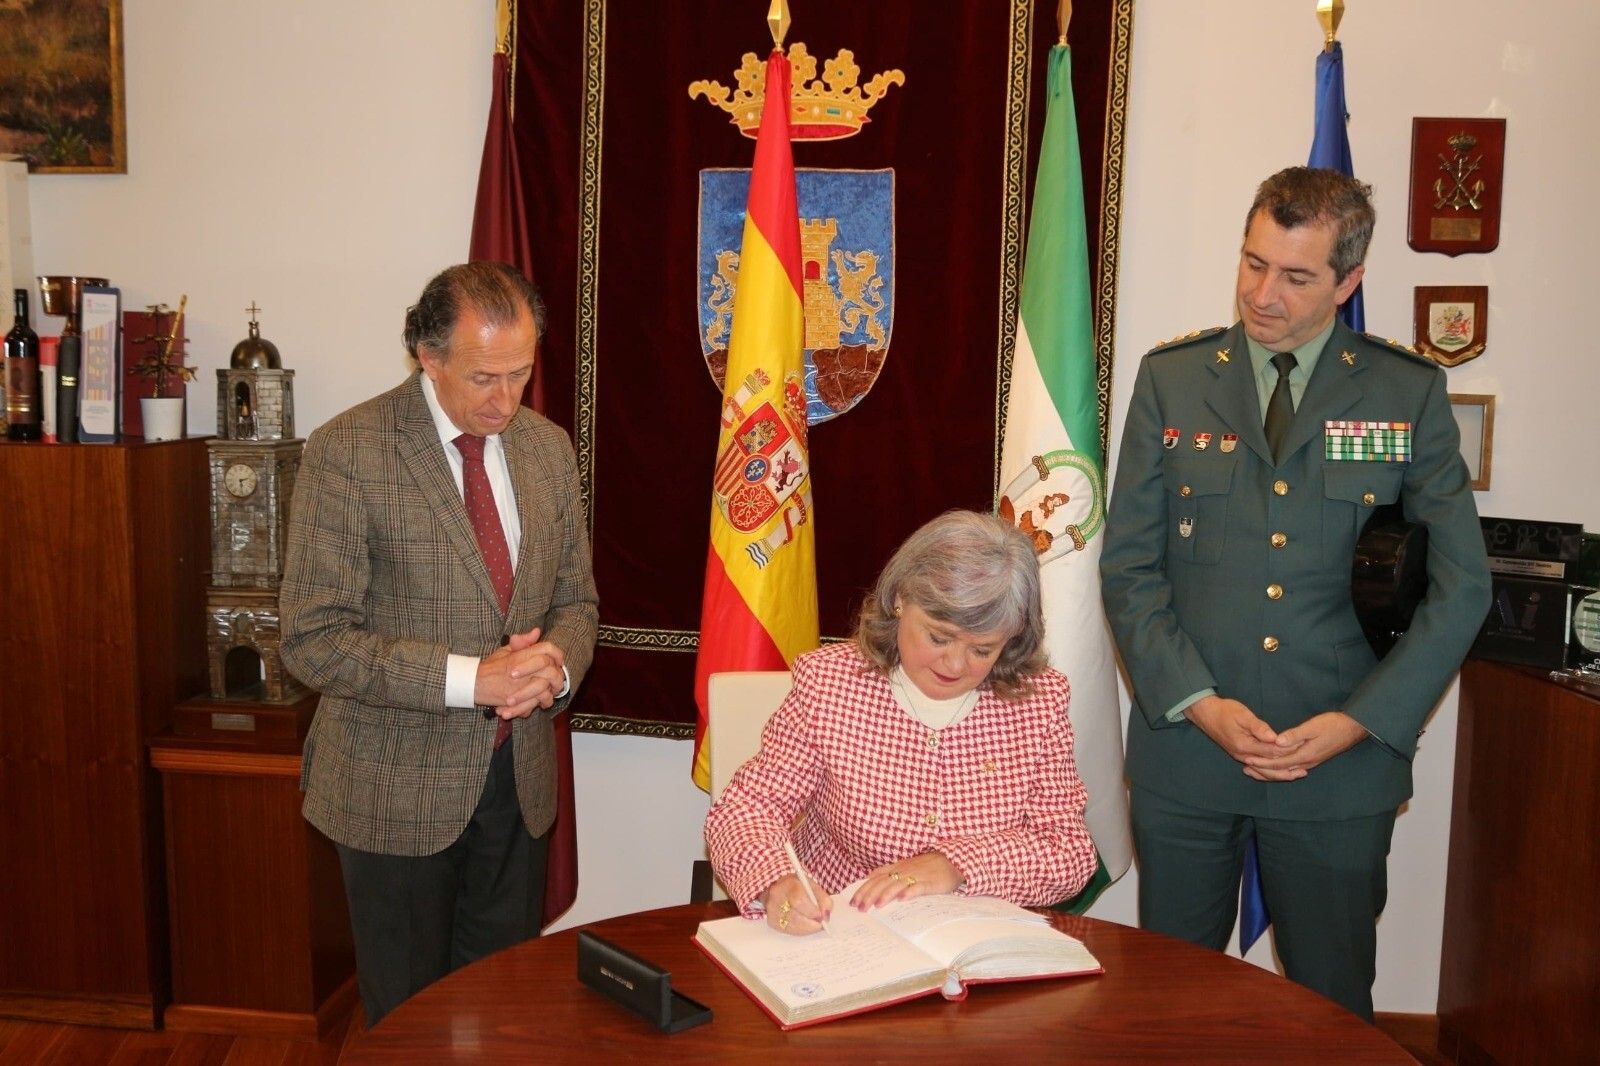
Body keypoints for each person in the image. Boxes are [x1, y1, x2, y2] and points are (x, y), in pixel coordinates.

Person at [1099, 167, 1491, 1020]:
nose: (1262, 294)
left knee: (1331, 1005)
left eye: (1297, 276)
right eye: (1252, 263)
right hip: (1191, 757)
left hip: (1340, 763)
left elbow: (1463, 589)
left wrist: (1360, 721)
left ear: (1349, 282)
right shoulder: (1174, 378)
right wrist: (1199, 702)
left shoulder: (1405, 391)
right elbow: (1129, 568)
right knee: (1172, 1005)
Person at [280, 261, 598, 1024]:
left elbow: (577, 602)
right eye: (485, 378)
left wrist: (553, 663)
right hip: (393, 789)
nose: (507, 400)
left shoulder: (547, 449)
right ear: (428, 356)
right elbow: (312, 640)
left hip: (517, 789)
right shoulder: (348, 451)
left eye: (521, 374)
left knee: (502, 1015)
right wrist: (471, 680)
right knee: (409, 1026)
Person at [704, 510, 1096, 934]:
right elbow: (746, 809)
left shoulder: (1039, 702)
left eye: (982, 650)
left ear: (1013, 638)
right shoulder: (829, 684)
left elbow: (1068, 852)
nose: (955, 663)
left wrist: (955, 866)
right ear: (900, 600)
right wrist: (774, 882)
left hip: (976, 941)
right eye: (938, 637)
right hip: (842, 932)